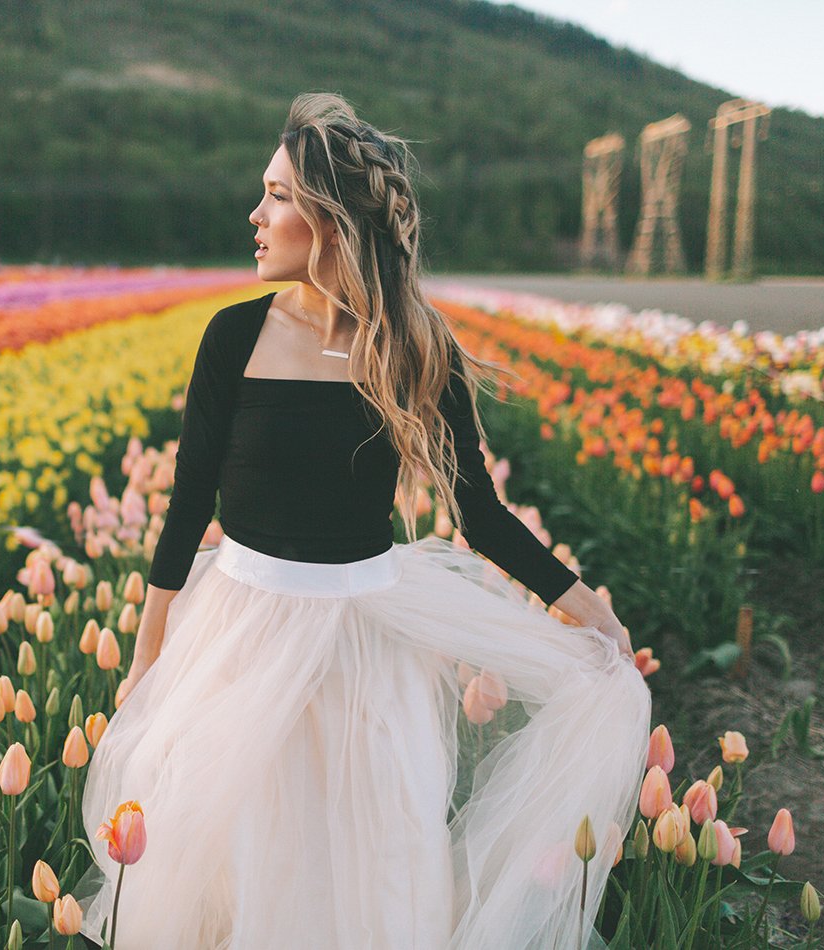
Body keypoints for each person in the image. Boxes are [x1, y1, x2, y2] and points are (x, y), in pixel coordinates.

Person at [73, 92, 652, 950]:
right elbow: (189, 501)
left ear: (331, 220)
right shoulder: (234, 336)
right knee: (255, 854)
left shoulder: (415, 347)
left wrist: (591, 613)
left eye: (276, 195)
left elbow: (480, 515)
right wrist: (149, 661)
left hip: (367, 638)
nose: (255, 214)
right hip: (242, 630)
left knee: (376, 848)